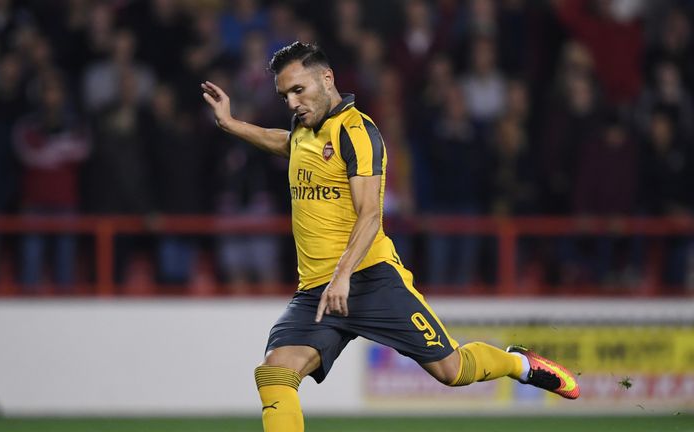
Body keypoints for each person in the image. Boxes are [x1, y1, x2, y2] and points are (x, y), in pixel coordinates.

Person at [201, 42, 580, 432]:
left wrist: (343, 274)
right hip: (318, 290)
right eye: (285, 95)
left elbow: (370, 216)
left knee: (452, 370)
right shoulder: (303, 131)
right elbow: (284, 142)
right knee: (275, 373)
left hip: (370, 278)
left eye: (298, 90)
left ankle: (520, 364)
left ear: (326, 79)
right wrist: (232, 124)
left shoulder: (358, 132)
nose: (292, 102)